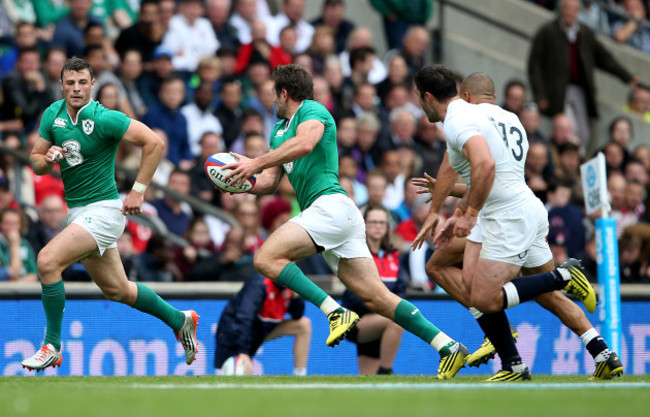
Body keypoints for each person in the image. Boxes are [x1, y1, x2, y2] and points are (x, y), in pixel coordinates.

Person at [223, 64, 469, 379]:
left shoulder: (313, 112)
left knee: (266, 257)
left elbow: (306, 144)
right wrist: (239, 183)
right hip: (336, 217)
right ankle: (447, 346)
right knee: (377, 297)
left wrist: (254, 161)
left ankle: (335, 312)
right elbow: (270, 182)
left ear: (284, 93)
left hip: (330, 207)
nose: (272, 100)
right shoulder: (278, 132)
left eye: (274, 93)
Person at [412, 67, 605, 381]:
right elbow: (475, 172)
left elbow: (485, 169)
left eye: (418, 98)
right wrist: (450, 210)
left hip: (504, 217)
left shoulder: (462, 119)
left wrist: (467, 213)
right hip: (519, 209)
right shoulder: (505, 118)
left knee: (484, 296)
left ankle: (564, 276)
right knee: (535, 294)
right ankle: (600, 352)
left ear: (429, 97)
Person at [21, 57, 199, 371]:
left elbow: (154, 142)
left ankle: (52, 345)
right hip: (78, 212)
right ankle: (179, 320)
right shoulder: (53, 114)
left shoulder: (105, 118)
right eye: (70, 83)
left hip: (104, 210)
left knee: (47, 261)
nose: (76, 88)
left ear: (92, 85)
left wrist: (139, 189)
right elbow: (35, 159)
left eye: (82, 82)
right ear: (62, 85)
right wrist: (47, 160)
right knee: (118, 289)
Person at [528, 0, 640, 155]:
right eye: (567, 8)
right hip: (555, 90)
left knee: (583, 132)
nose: (570, 13)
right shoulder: (548, 31)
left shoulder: (585, 34)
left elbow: (605, 59)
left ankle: (578, 161)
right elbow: (535, 65)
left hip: (580, 89)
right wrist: (540, 94)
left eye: (573, 9)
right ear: (560, 10)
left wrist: (627, 77)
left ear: (578, 12)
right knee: (564, 127)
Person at [214, 206, 311, 376]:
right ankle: (237, 359)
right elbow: (244, 317)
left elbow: (297, 314)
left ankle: (300, 374)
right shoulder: (260, 284)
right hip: (234, 332)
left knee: (304, 325)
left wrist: (296, 296)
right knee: (230, 373)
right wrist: (244, 352)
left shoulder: (289, 285)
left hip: (262, 329)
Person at [341, 205, 404, 374]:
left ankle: (381, 374)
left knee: (368, 381)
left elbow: (401, 291)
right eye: (374, 222)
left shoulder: (394, 255)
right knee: (396, 320)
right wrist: (380, 304)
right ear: (364, 224)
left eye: (382, 223)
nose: (378, 226)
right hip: (357, 321)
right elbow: (351, 296)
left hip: (382, 318)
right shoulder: (355, 254)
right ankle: (386, 370)